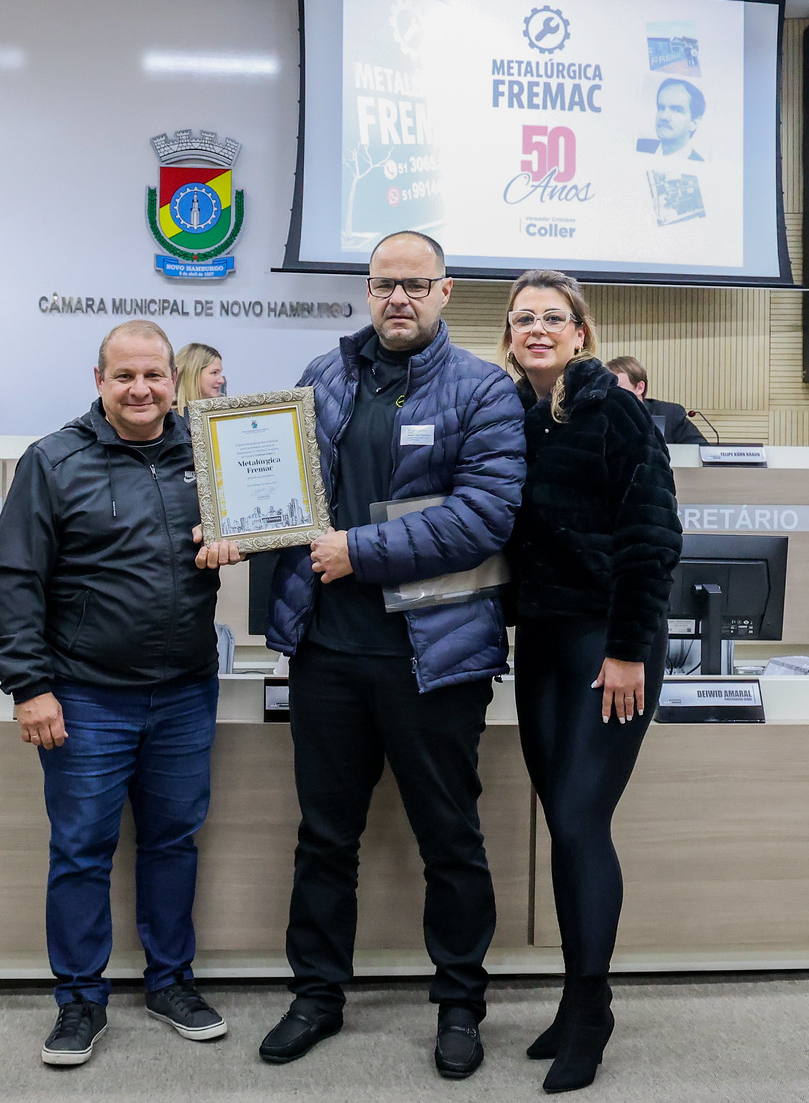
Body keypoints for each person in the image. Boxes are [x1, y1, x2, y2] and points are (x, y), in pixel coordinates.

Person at [257, 230, 526, 1079]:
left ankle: (458, 1004)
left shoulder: (483, 390)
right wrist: (237, 525)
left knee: (448, 836)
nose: (396, 298)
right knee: (324, 837)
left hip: (433, 656)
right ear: (366, 292)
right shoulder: (322, 377)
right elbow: (285, 495)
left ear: (445, 293)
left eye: (414, 284)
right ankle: (317, 996)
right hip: (326, 651)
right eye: (383, 285)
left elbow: (485, 517)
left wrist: (358, 550)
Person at [0, 319, 244, 1069]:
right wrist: (29, 686)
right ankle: (79, 1001)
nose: (140, 390)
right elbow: (12, 581)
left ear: (173, 380)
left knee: (171, 845)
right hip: (86, 697)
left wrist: (239, 540)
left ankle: (171, 985)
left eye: (153, 376)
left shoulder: (209, 452)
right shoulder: (54, 461)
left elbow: (273, 526)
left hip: (185, 694)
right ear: (98, 381)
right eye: (124, 376)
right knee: (81, 851)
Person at [502, 271, 681, 1093]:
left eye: (552, 317)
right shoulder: (516, 417)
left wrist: (627, 650)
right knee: (561, 818)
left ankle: (591, 1005)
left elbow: (651, 537)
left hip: (608, 646)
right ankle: (575, 1006)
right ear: (509, 336)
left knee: (578, 821)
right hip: (542, 641)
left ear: (581, 332)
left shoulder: (613, 409)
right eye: (523, 318)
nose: (537, 328)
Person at [606, 355, 706, 445]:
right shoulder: (601, 416)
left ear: (640, 387)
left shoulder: (670, 415)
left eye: (617, 387)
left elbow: (701, 451)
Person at [634, 78, 705, 161]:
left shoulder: (701, 166)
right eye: (661, 108)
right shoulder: (639, 146)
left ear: (694, 123)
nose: (664, 117)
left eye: (677, 110)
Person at [174, 342, 226, 411]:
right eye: (214, 372)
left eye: (220, 373)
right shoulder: (166, 417)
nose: (221, 380)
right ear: (194, 374)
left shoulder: (224, 411)